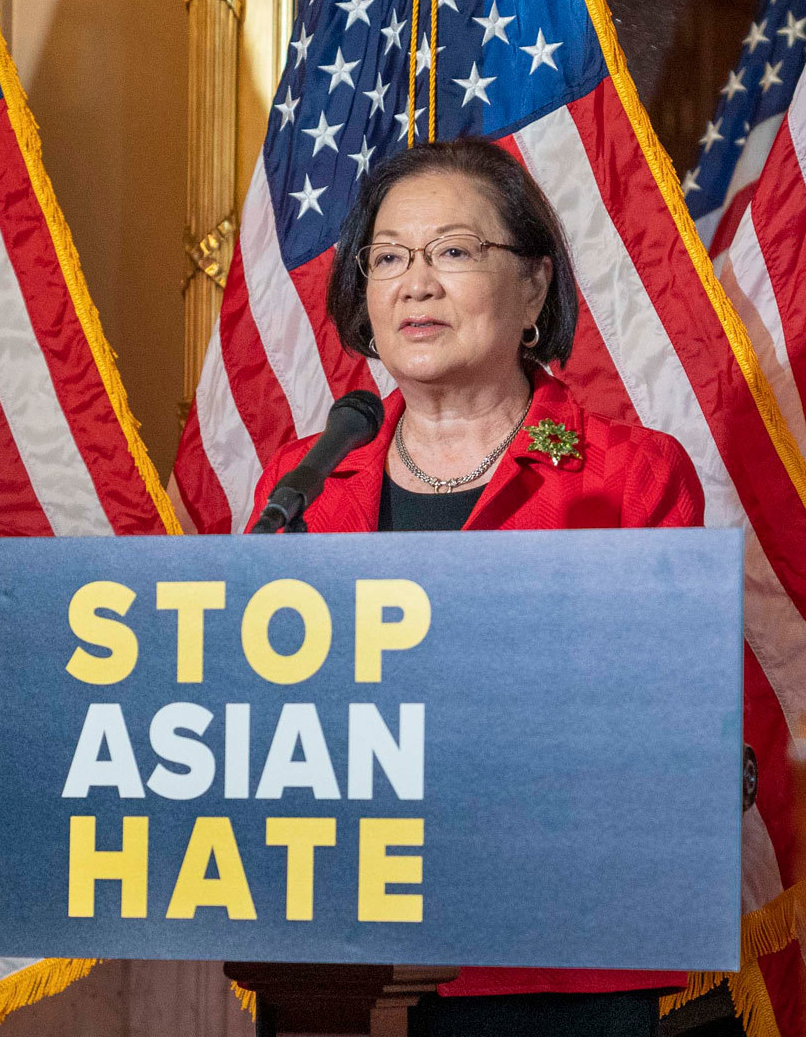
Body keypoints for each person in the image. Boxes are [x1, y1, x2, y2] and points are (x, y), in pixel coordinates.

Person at [246, 138, 703, 1036]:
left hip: (556, 961)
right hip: (336, 963)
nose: (415, 284)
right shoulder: (300, 485)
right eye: (387, 258)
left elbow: (672, 725)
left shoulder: (629, 477)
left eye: (453, 251)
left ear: (534, 286)